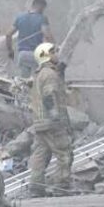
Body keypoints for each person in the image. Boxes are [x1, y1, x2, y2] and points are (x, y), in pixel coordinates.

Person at [28, 43, 73, 197]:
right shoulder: (49, 74)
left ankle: (36, 188)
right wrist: (55, 116)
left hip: (40, 123)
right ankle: (61, 186)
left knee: (40, 155)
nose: (57, 54)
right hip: (52, 123)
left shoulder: (40, 74)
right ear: (46, 55)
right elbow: (49, 95)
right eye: (53, 52)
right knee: (64, 153)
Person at [9, 0, 54, 78]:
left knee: (24, 81)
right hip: (36, 55)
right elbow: (47, 35)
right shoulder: (42, 18)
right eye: (43, 8)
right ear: (40, 5)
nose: (43, 10)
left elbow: (8, 34)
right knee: (41, 78)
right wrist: (54, 47)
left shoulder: (20, 17)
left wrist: (10, 50)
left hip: (22, 54)